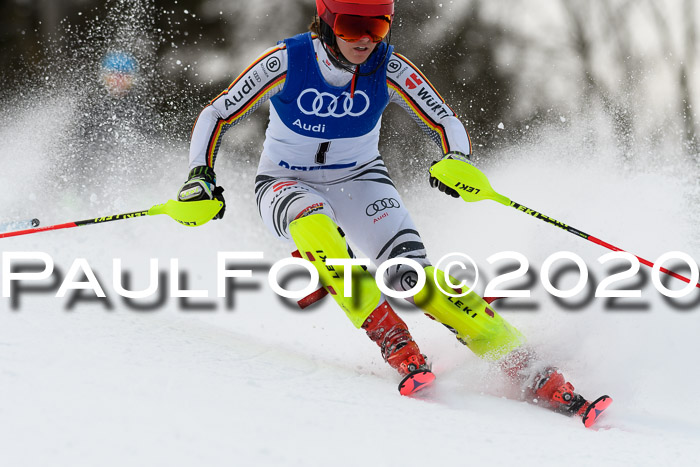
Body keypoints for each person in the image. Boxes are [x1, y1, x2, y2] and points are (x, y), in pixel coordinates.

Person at [178, 0, 610, 424]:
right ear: (326, 20)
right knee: (317, 228)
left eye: (378, 27)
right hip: (285, 181)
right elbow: (217, 112)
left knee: (411, 278)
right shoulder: (287, 60)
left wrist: (456, 158)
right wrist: (200, 174)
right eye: (351, 25)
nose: (364, 39)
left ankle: (528, 367)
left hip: (361, 179)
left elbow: (445, 120)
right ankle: (396, 342)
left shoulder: (389, 67)